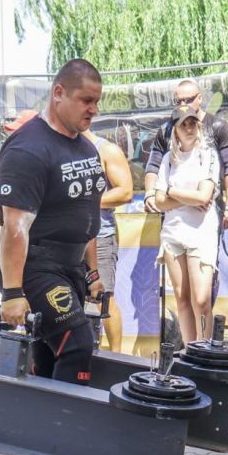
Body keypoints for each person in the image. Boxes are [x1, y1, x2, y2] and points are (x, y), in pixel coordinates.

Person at [0, 58, 108, 389]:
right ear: (58, 93)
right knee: (77, 344)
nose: (93, 110)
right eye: (86, 100)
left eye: (97, 101)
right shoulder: (28, 149)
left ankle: (35, 420)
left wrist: (93, 273)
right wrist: (12, 293)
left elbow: (87, 217)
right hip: (36, 268)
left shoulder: (86, 148)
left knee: (47, 356)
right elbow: (14, 227)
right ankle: (68, 421)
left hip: (71, 267)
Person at [150, 107, 220, 346]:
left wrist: (171, 191)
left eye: (192, 123)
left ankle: (205, 349)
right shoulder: (168, 160)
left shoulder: (208, 154)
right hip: (173, 232)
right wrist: (188, 198)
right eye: (183, 125)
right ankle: (190, 351)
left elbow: (204, 196)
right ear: (175, 131)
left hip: (201, 231)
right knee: (182, 297)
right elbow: (159, 201)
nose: (189, 128)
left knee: (201, 299)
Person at [142, 79, 228, 229]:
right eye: (178, 101)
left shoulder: (219, 127)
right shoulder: (166, 130)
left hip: (207, 212)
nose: (183, 104)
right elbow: (153, 165)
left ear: (200, 98)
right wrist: (149, 193)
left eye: (188, 100)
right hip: (173, 217)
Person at [89, 127, 133, 352]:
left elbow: (125, 192)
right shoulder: (60, 149)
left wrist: (83, 202)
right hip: (68, 238)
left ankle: (116, 357)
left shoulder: (106, 150)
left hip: (100, 236)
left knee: (104, 298)